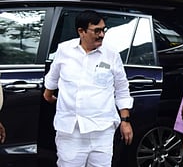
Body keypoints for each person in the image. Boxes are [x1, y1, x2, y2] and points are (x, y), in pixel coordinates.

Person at [43, 10, 133, 167]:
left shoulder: (111, 54)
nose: (102, 35)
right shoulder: (64, 50)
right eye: (96, 30)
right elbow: (52, 78)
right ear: (81, 31)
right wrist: (48, 95)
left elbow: (122, 88)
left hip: (102, 130)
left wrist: (125, 120)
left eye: (103, 29)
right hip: (71, 130)